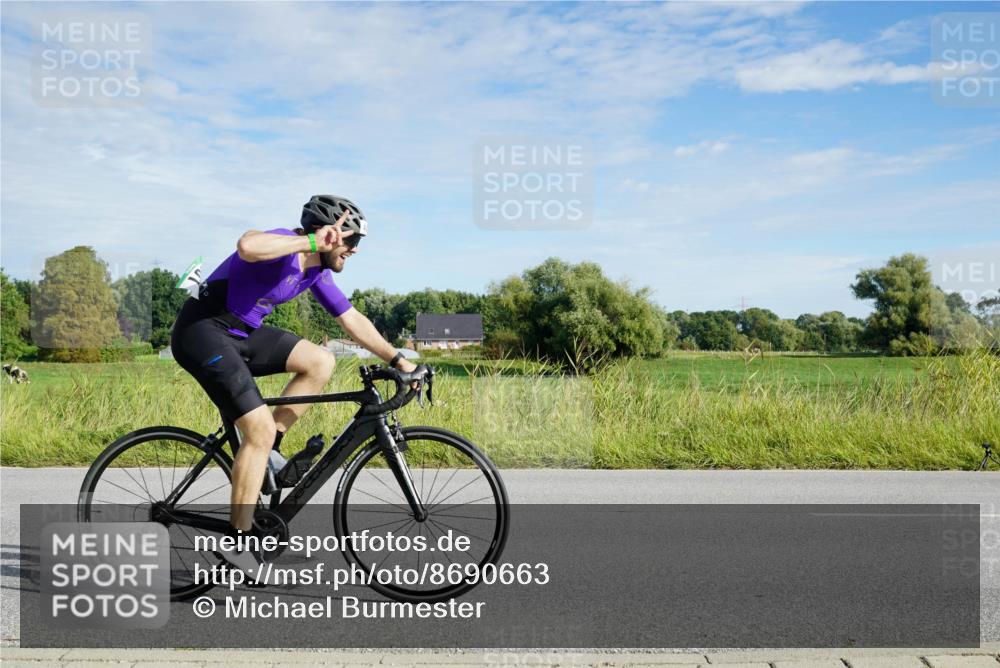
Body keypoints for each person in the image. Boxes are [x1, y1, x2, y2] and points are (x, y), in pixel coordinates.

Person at [170, 195, 416, 574]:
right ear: (327, 232)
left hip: (242, 333)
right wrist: (311, 242)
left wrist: (400, 361)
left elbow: (352, 320)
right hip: (201, 332)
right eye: (352, 241)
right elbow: (247, 245)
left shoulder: (317, 273)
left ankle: (269, 450)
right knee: (257, 429)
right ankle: (238, 546)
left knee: (320, 361)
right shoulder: (286, 245)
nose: (354, 251)